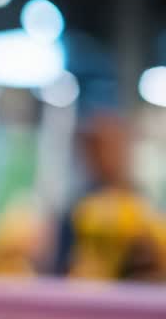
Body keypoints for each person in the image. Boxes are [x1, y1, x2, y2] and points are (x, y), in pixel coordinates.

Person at [54, 113, 166, 280]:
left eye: (118, 146)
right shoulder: (78, 209)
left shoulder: (142, 204)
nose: (112, 155)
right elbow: (60, 268)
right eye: (102, 148)